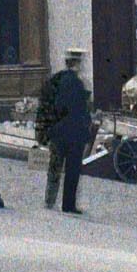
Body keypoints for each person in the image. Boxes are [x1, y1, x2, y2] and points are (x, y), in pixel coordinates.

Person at [35, 49, 94, 215]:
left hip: (58, 132)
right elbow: (82, 110)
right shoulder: (79, 83)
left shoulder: (56, 80)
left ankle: (49, 200)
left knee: (54, 167)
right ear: (77, 63)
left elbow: (46, 105)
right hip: (75, 133)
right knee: (72, 169)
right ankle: (68, 204)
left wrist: (46, 129)